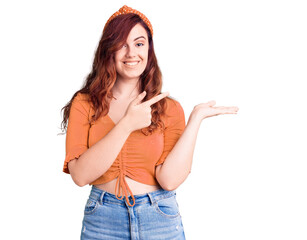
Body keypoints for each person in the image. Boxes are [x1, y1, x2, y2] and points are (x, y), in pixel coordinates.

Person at [60, 5, 238, 239]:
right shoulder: (84, 103)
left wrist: (195, 120)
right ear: (108, 50)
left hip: (159, 217)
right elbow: (80, 176)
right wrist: (126, 124)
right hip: (102, 220)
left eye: (139, 43)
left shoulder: (169, 108)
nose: (131, 53)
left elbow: (170, 179)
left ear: (149, 50)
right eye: (122, 44)